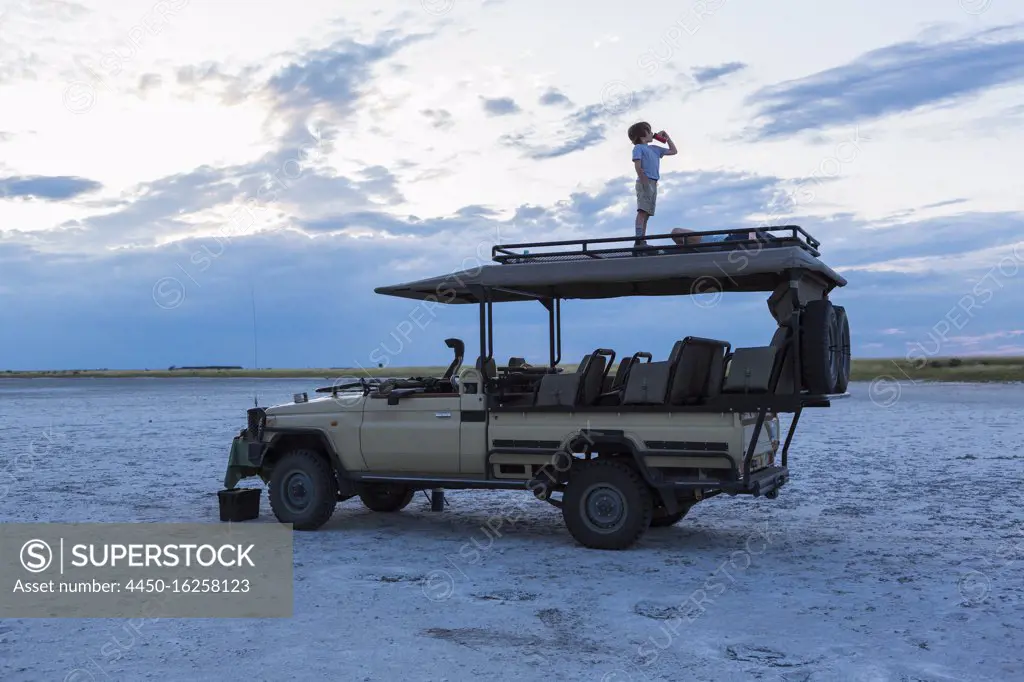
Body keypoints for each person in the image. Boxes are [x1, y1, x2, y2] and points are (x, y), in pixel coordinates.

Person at [628, 122, 685, 250]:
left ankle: (642, 240)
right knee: (642, 211)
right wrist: (644, 179)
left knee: (647, 213)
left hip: (654, 182)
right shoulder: (638, 148)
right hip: (645, 181)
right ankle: (638, 241)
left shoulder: (654, 149)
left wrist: (667, 137)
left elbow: (674, 151)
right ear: (642, 136)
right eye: (649, 131)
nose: (652, 133)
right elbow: (637, 165)